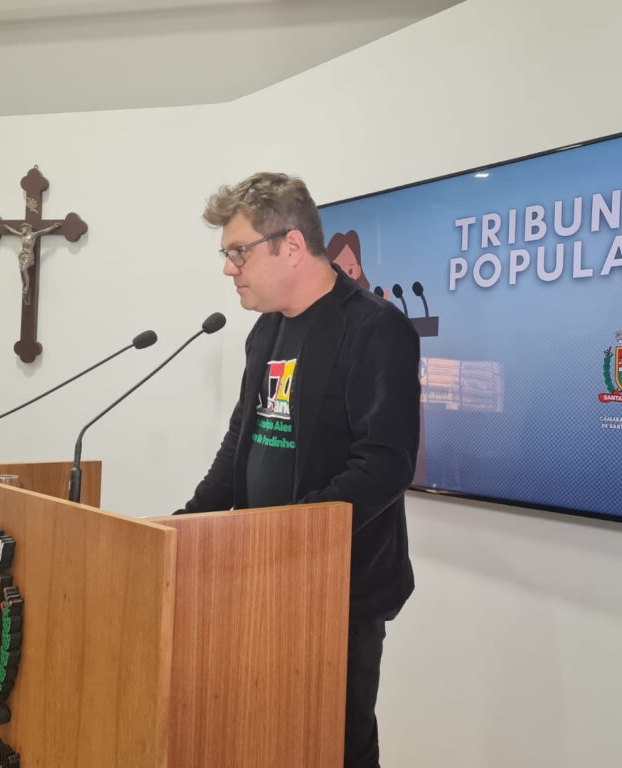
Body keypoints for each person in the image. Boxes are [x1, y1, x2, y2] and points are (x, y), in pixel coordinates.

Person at [176, 172, 420, 768]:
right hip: (261, 578)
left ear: (290, 245)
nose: (229, 268)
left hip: (336, 589)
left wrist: (284, 536)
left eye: (239, 252)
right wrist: (182, 526)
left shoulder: (375, 329)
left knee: (334, 749)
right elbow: (242, 440)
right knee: (265, 741)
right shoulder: (267, 329)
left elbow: (385, 464)